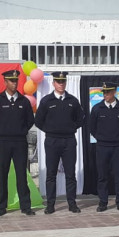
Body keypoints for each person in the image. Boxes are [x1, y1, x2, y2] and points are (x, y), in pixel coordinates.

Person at [34, 71, 85, 214]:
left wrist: (70, 128)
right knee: (51, 174)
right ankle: (50, 204)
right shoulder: (46, 101)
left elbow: (80, 119)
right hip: (52, 141)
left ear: (66, 83)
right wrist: (51, 130)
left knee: (70, 174)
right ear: (53, 83)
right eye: (58, 81)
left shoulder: (73, 101)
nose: (61, 84)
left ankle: (72, 203)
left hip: (69, 140)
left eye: (63, 81)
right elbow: (38, 121)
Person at [0, 68, 36, 216]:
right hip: (3, 142)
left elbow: (29, 121)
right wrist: (4, 130)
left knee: (22, 174)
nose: (14, 83)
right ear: (5, 82)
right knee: (2, 174)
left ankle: (25, 206)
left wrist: (19, 130)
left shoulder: (24, 101)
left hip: (20, 141)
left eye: (16, 80)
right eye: (11, 81)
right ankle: (1, 207)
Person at [88, 81, 119, 212]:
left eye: (108, 92)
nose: (105, 94)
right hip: (102, 146)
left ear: (114, 92)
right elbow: (92, 128)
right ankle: (103, 202)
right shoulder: (97, 108)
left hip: (118, 146)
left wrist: (118, 137)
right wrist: (101, 138)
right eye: (104, 92)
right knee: (102, 176)